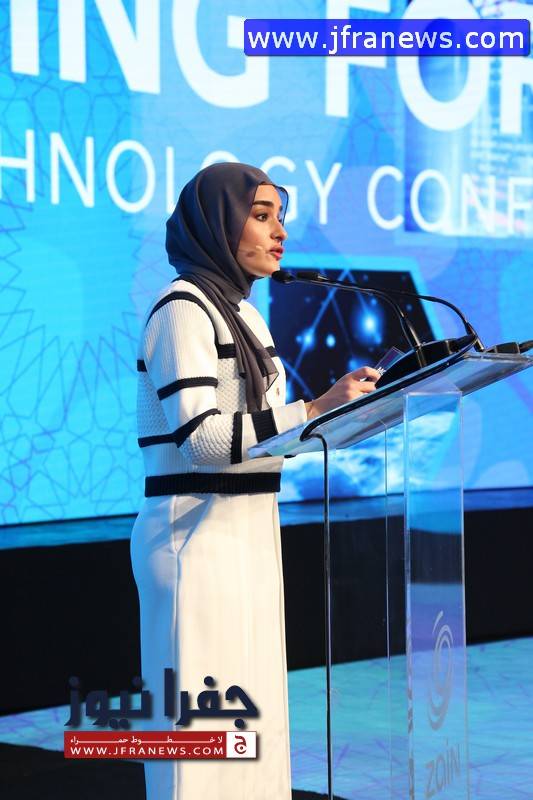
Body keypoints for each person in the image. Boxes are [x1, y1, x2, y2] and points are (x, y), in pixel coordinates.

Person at [130, 162, 380, 800]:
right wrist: (313, 408)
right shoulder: (183, 310)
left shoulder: (244, 315)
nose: (280, 232)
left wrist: (342, 415)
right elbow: (204, 441)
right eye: (262, 216)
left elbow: (266, 440)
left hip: (248, 533)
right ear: (216, 225)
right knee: (201, 745)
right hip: (194, 540)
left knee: (254, 738)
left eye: (281, 217)